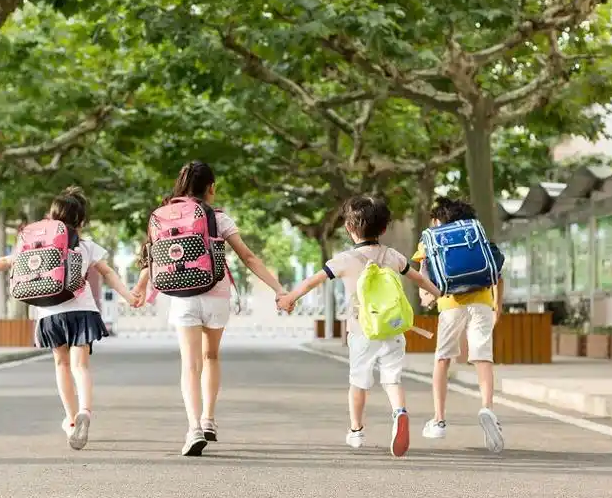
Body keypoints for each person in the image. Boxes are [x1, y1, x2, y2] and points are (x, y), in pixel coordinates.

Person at [0, 187, 138, 451]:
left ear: (50, 217)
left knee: (62, 366)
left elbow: (6, 261)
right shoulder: (86, 246)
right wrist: (129, 295)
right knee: (81, 367)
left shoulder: (34, 247)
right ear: (82, 222)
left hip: (50, 313)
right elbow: (108, 273)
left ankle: (72, 420)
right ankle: (85, 410)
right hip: (82, 310)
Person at [132, 161, 287, 456]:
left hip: (182, 297)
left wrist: (140, 288)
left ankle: (192, 429)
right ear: (211, 187)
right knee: (211, 356)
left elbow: (153, 257)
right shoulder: (219, 218)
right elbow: (249, 258)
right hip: (216, 294)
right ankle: (208, 419)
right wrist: (279, 290)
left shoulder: (163, 216)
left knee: (190, 365)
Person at [277, 195, 441, 457]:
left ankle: (356, 430)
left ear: (348, 228)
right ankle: (399, 412)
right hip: (393, 329)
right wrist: (438, 293)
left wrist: (288, 299)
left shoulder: (344, 260)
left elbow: (311, 282)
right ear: (384, 228)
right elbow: (419, 279)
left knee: (359, 382)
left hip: (362, 332)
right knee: (392, 378)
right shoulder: (393, 256)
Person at [414, 197, 505, 453]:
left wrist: (427, 297)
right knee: (482, 357)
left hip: (450, 306)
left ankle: (439, 419)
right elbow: (497, 272)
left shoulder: (429, 239)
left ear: (437, 219)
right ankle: (487, 408)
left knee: (442, 360)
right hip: (483, 302)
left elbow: (424, 276)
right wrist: (498, 306)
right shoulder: (475, 233)